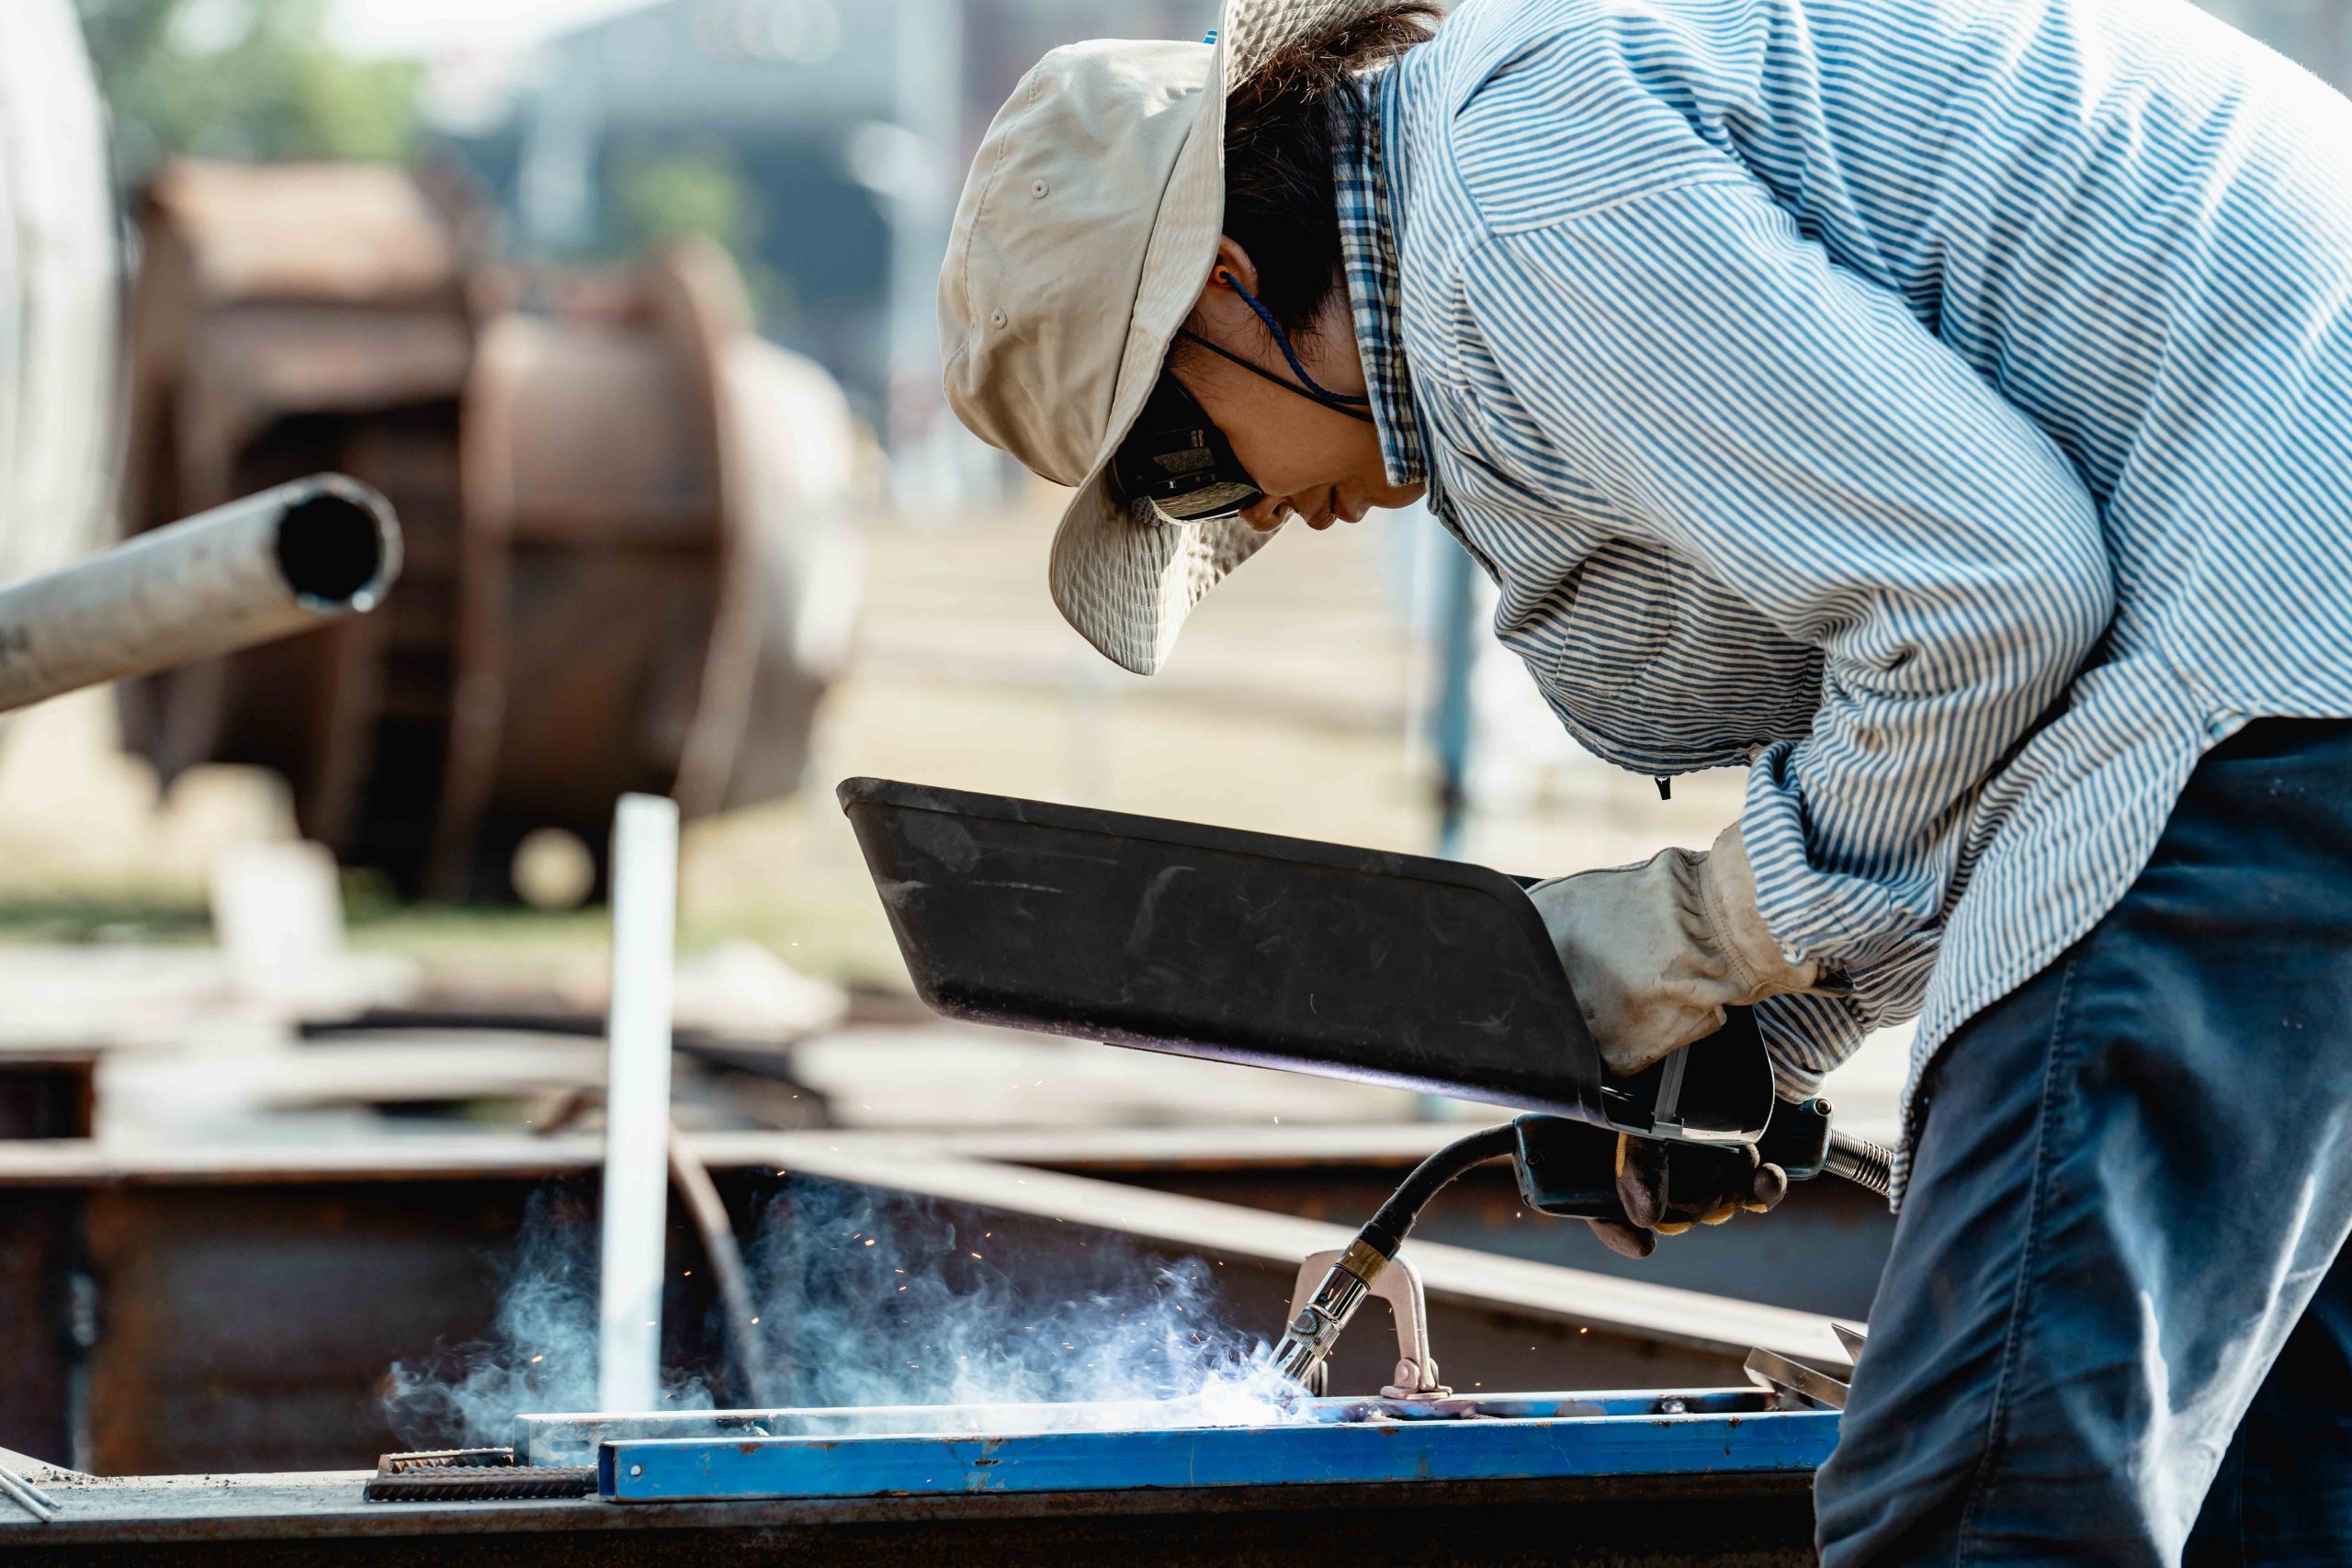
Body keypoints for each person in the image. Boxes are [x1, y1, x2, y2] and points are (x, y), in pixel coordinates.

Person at [935, 0, 2352, 1560]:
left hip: (2276, 649)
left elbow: (1985, 606)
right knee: (2275, 1484)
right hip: (2274, 634)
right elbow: (1975, 681)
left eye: (1188, 465)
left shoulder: (1520, 205)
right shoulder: (1522, 141)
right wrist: (1757, 1028)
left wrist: (1697, 939)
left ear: (1224, 282)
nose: (1266, 514)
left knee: (1983, 1507)